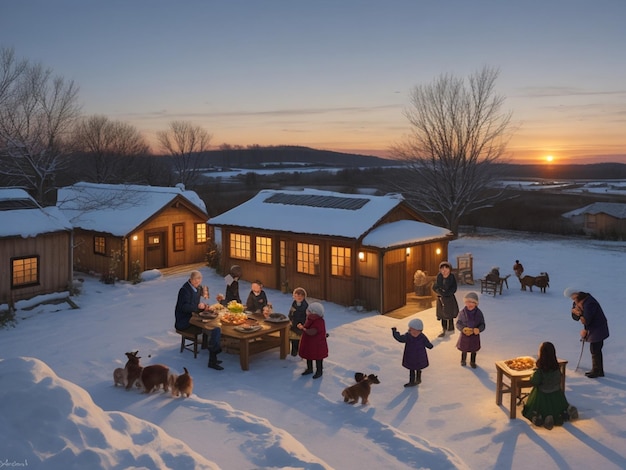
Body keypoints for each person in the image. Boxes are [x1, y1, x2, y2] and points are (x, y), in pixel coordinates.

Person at [522, 341, 578, 429]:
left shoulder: (540, 371)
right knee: (558, 406)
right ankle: (565, 412)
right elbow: (558, 379)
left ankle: (541, 416)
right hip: (556, 395)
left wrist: (532, 376)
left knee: (534, 405)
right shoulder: (556, 368)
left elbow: (535, 381)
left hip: (542, 396)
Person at [174, 270, 224, 370]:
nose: (198, 283)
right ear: (191, 279)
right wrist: (197, 306)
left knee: (215, 326)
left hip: (194, 316)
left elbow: (205, 292)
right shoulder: (184, 290)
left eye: (199, 280)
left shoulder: (198, 287)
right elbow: (184, 307)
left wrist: (206, 299)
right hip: (184, 320)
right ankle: (212, 360)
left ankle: (211, 350)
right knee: (213, 329)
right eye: (195, 281)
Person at [564, 287, 610, 378]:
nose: (572, 299)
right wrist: (576, 313)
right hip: (591, 328)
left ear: (576, 294)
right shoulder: (577, 302)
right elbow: (575, 317)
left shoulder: (589, 302)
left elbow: (587, 319)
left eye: (572, 296)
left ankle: (597, 371)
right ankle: (598, 369)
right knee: (595, 349)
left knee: (595, 349)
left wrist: (579, 313)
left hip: (598, 328)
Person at [391, 317, 434, 387]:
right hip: (410, 356)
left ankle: (418, 379)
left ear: (420, 331)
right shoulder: (408, 336)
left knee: (418, 368)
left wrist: (430, 346)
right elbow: (400, 338)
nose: (412, 332)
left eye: (414, 331)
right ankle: (411, 381)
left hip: (420, 356)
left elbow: (427, 343)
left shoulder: (422, 337)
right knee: (411, 369)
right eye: (411, 330)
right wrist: (394, 332)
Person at [297, 302, 328, 379]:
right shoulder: (310, 319)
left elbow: (313, 331)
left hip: (317, 344)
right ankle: (309, 369)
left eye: (309, 311)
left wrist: (303, 328)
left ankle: (319, 371)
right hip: (309, 343)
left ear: (313, 312)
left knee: (318, 357)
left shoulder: (319, 321)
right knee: (309, 355)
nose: (307, 312)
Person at [455, 292, 485, 368]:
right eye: (467, 302)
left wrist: (478, 329)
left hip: (474, 335)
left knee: (473, 349)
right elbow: (458, 323)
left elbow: (482, 324)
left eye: (471, 302)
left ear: (476, 303)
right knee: (464, 349)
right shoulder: (462, 313)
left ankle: (472, 361)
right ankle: (463, 360)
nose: (469, 304)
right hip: (465, 335)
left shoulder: (479, 313)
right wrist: (463, 329)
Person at [432, 261, 459, 337]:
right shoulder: (439, 277)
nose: (444, 270)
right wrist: (440, 292)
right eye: (442, 268)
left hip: (449, 299)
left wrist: (447, 293)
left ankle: (450, 329)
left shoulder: (451, 277)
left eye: (446, 268)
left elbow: (454, 288)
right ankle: (444, 329)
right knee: (442, 314)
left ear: (449, 269)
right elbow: (434, 287)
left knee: (450, 314)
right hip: (441, 299)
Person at [288, 287, 308, 356]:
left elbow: (305, 317)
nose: (298, 298)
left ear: (303, 297)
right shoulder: (294, 304)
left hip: (300, 325)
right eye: (296, 296)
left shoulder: (305, 306)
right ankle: (294, 350)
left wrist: (301, 324)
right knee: (291, 338)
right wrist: (290, 319)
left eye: (300, 296)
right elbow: (291, 313)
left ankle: (299, 351)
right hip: (293, 324)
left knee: (298, 339)